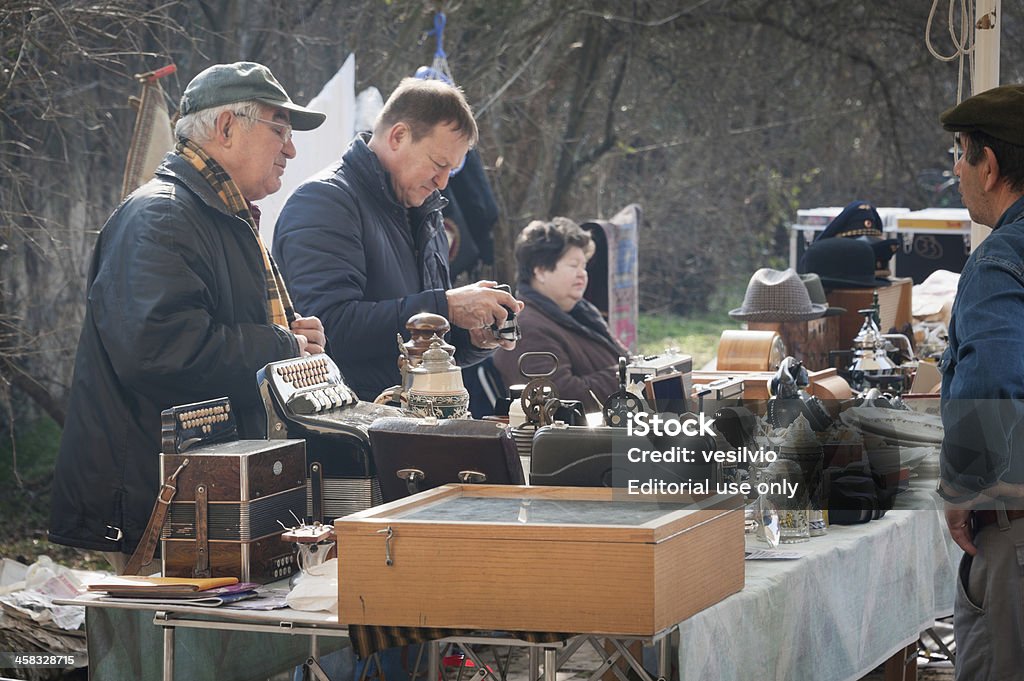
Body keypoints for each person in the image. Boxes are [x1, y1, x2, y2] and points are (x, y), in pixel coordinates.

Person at [48, 62, 328, 572]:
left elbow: (228, 332)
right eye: (280, 131)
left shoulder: (219, 214)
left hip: (197, 497)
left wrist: (292, 341)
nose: (290, 149)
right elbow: (159, 352)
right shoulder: (162, 216)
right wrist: (282, 347)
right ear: (225, 128)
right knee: (161, 651)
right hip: (157, 505)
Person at [272, 77, 522, 402]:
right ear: (398, 136)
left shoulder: (425, 211)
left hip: (411, 427)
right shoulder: (324, 202)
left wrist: (473, 337)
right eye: (439, 164)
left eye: (452, 171)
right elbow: (330, 329)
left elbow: (425, 348)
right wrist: (445, 306)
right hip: (353, 433)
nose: (443, 182)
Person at [936, 84, 1024, 680]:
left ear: (987, 165)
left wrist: (964, 490)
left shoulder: (999, 260)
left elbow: (993, 383)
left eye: (959, 155)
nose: (957, 171)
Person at [493, 218, 626, 410]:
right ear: (540, 272)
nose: (583, 274)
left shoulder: (583, 313)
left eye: (584, 266)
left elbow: (623, 358)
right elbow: (562, 398)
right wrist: (629, 376)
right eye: (573, 265)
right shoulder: (527, 328)